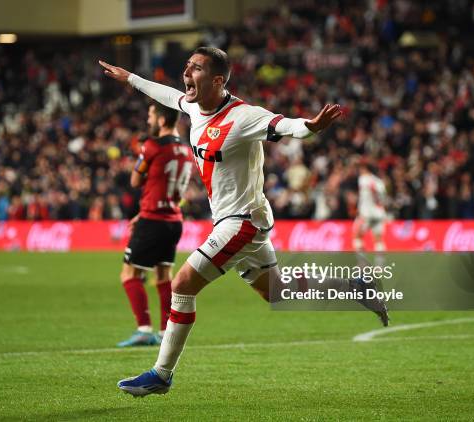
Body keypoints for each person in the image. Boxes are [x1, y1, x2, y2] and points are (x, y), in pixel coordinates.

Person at [99, 46, 388, 397]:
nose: (188, 74)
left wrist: (310, 127)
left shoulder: (243, 116)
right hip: (233, 219)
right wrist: (129, 78)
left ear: (218, 80)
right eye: (187, 67)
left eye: (197, 69)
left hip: (242, 221)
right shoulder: (192, 106)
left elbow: (284, 125)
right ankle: (355, 289)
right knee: (278, 293)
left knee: (182, 285)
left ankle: (161, 373)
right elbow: (167, 94)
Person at [117, 103, 193, 348]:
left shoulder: (152, 146)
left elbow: (135, 179)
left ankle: (143, 329)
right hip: (173, 220)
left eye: (150, 115)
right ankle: (164, 332)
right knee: (163, 276)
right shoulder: (185, 148)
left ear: (161, 120)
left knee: (129, 273)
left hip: (153, 220)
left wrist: (142, 152)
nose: (148, 119)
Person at [353, 160, 388, 252]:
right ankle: (380, 265)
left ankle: (361, 263)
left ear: (365, 169)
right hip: (379, 213)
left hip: (366, 214)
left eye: (361, 168)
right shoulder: (379, 182)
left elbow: (363, 197)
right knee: (378, 240)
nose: (359, 171)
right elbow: (383, 199)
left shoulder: (363, 179)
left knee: (357, 235)